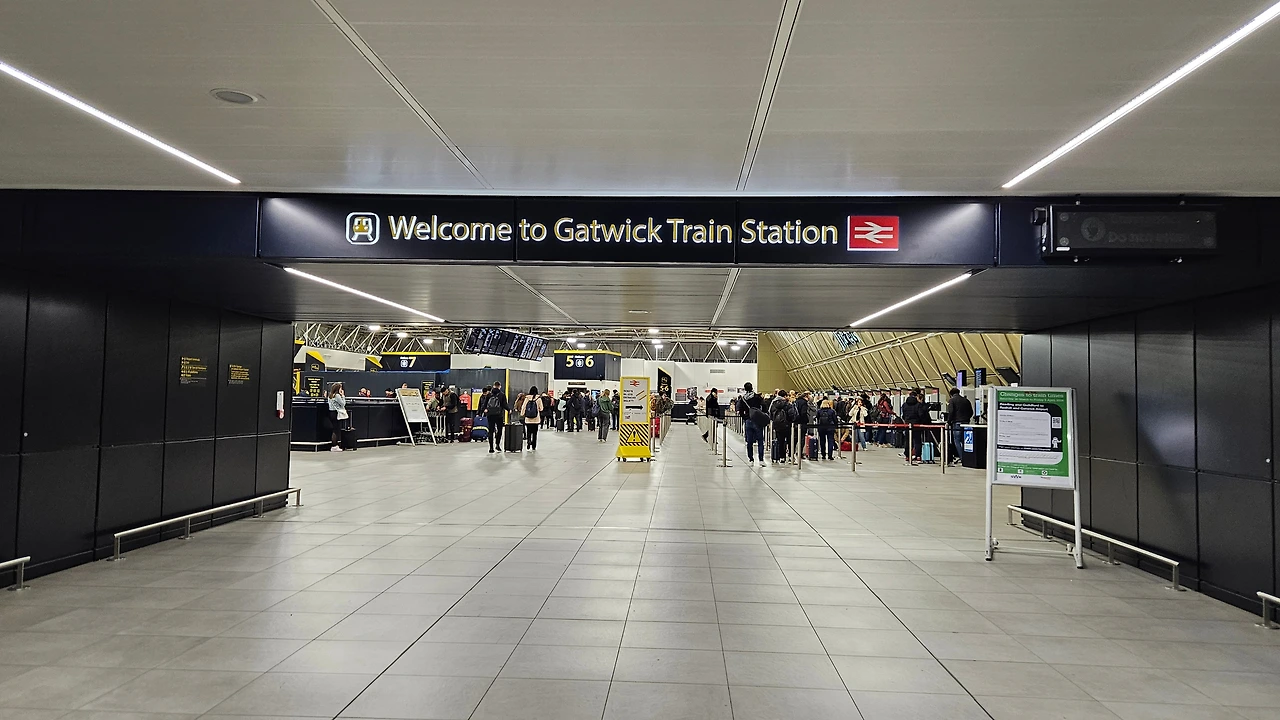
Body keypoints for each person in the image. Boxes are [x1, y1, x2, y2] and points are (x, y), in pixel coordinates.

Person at [736, 382, 766, 467]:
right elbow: (764, 406)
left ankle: (751, 459)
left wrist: (745, 417)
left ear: (745, 389)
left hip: (748, 421)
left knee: (749, 442)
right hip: (757, 421)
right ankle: (761, 460)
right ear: (752, 388)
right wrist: (762, 415)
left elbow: (740, 410)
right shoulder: (757, 397)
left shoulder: (743, 399)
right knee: (760, 441)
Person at [946, 387, 974, 466]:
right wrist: (967, 419)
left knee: (957, 441)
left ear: (951, 394)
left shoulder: (952, 400)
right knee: (965, 441)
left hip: (957, 423)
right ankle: (967, 457)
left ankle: (962, 458)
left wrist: (948, 422)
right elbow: (971, 412)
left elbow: (951, 412)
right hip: (966, 423)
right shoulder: (966, 400)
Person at [900, 390, 928, 465]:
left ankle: (907, 456)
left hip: (907, 424)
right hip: (916, 425)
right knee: (917, 441)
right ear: (916, 396)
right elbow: (921, 414)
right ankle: (918, 456)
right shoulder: (918, 405)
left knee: (908, 441)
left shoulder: (904, 405)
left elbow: (903, 415)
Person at [769, 390, 796, 463]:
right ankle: (790, 456)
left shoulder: (773, 403)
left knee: (780, 441)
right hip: (787, 425)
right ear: (785, 396)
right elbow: (792, 414)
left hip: (777, 425)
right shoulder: (788, 404)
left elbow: (770, 414)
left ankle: (781, 457)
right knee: (790, 441)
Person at [484, 382, 508, 453]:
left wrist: (484, 410)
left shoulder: (489, 395)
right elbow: (504, 404)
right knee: (499, 430)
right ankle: (497, 444)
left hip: (490, 414)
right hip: (499, 415)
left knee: (491, 430)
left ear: (494, 386)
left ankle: (491, 448)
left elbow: (485, 404)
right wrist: (509, 410)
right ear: (499, 386)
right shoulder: (502, 395)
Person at [326, 382, 347, 452]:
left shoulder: (330, 395)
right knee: (336, 430)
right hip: (336, 413)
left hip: (331, 412)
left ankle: (334, 445)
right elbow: (343, 404)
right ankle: (334, 446)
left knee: (334, 429)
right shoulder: (337, 396)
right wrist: (343, 396)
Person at [520, 386, 542, 451]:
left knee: (528, 431)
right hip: (536, 419)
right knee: (535, 433)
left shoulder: (527, 398)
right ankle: (534, 446)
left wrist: (522, 414)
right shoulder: (538, 399)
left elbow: (523, 407)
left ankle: (528, 441)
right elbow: (541, 408)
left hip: (528, 419)